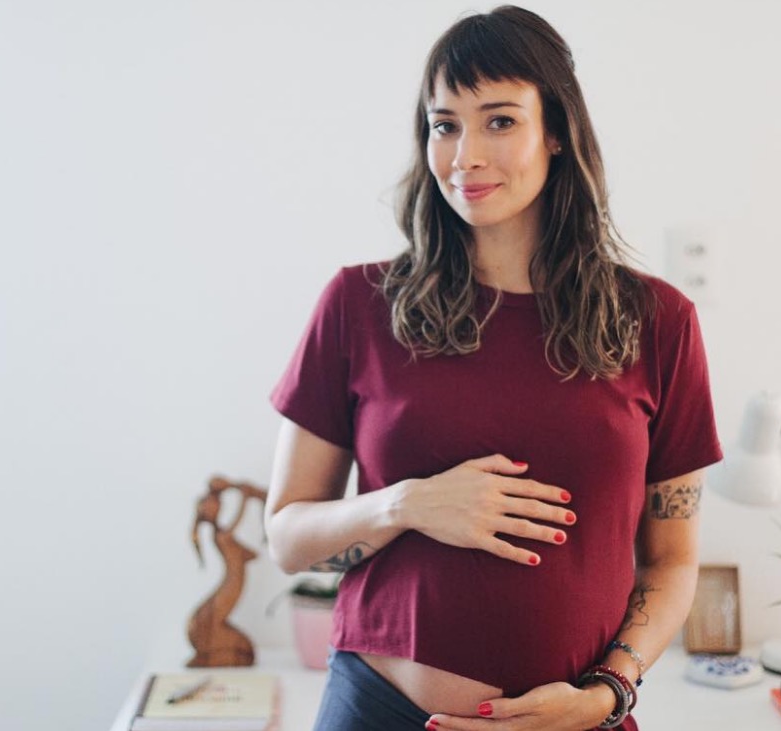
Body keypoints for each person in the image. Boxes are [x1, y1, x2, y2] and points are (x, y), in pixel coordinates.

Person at [265, 6, 722, 730]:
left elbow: (671, 561)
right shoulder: (357, 304)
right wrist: (405, 503)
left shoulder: (658, 323)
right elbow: (288, 537)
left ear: (558, 133)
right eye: (443, 124)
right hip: (378, 707)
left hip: (578, 719)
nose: (463, 154)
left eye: (499, 121)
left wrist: (607, 692)